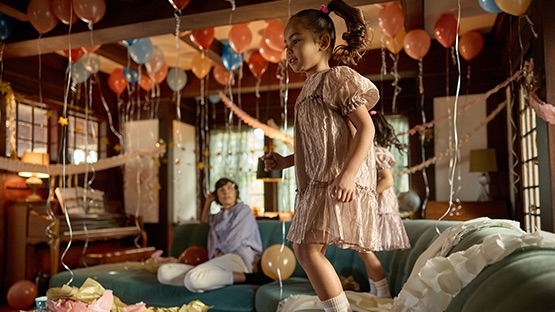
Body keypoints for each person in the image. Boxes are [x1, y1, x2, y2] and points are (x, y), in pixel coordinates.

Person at [263, 1, 380, 311]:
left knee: (307, 250)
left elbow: (366, 129)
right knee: (306, 250)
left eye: (296, 40)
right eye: (286, 44)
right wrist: (286, 161)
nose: (288, 50)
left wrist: (349, 174)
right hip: (314, 182)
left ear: (324, 43)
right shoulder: (307, 90)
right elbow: (314, 144)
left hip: (333, 180)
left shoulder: (336, 79)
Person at [157, 178, 271, 292]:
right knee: (164, 273)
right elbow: (204, 219)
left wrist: (220, 254)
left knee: (193, 279)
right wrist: (208, 201)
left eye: (230, 188)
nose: (226, 192)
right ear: (217, 195)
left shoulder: (243, 210)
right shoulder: (218, 217)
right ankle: (206, 276)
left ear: (236, 192)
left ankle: (246, 278)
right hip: (218, 260)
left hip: (238, 257)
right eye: (221, 190)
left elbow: (235, 239)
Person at [358, 111, 411, 298]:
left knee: (364, 250)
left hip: (378, 207)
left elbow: (387, 180)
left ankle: (383, 292)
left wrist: (366, 194)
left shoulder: (377, 152)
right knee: (363, 250)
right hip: (369, 207)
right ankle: (375, 290)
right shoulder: (364, 151)